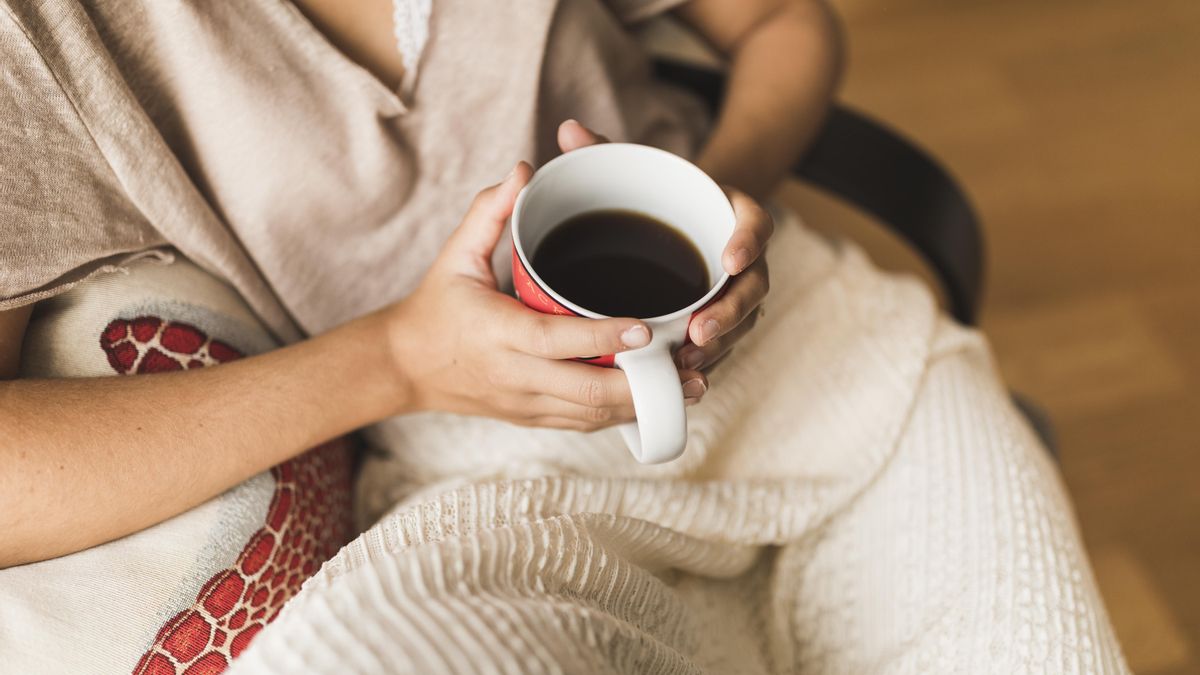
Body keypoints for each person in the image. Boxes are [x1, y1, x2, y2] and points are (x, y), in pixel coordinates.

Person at [0, 1, 1129, 673]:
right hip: (468, 458)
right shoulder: (41, 40)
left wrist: (721, 203)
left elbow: (788, 24)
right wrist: (399, 357)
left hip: (824, 359)